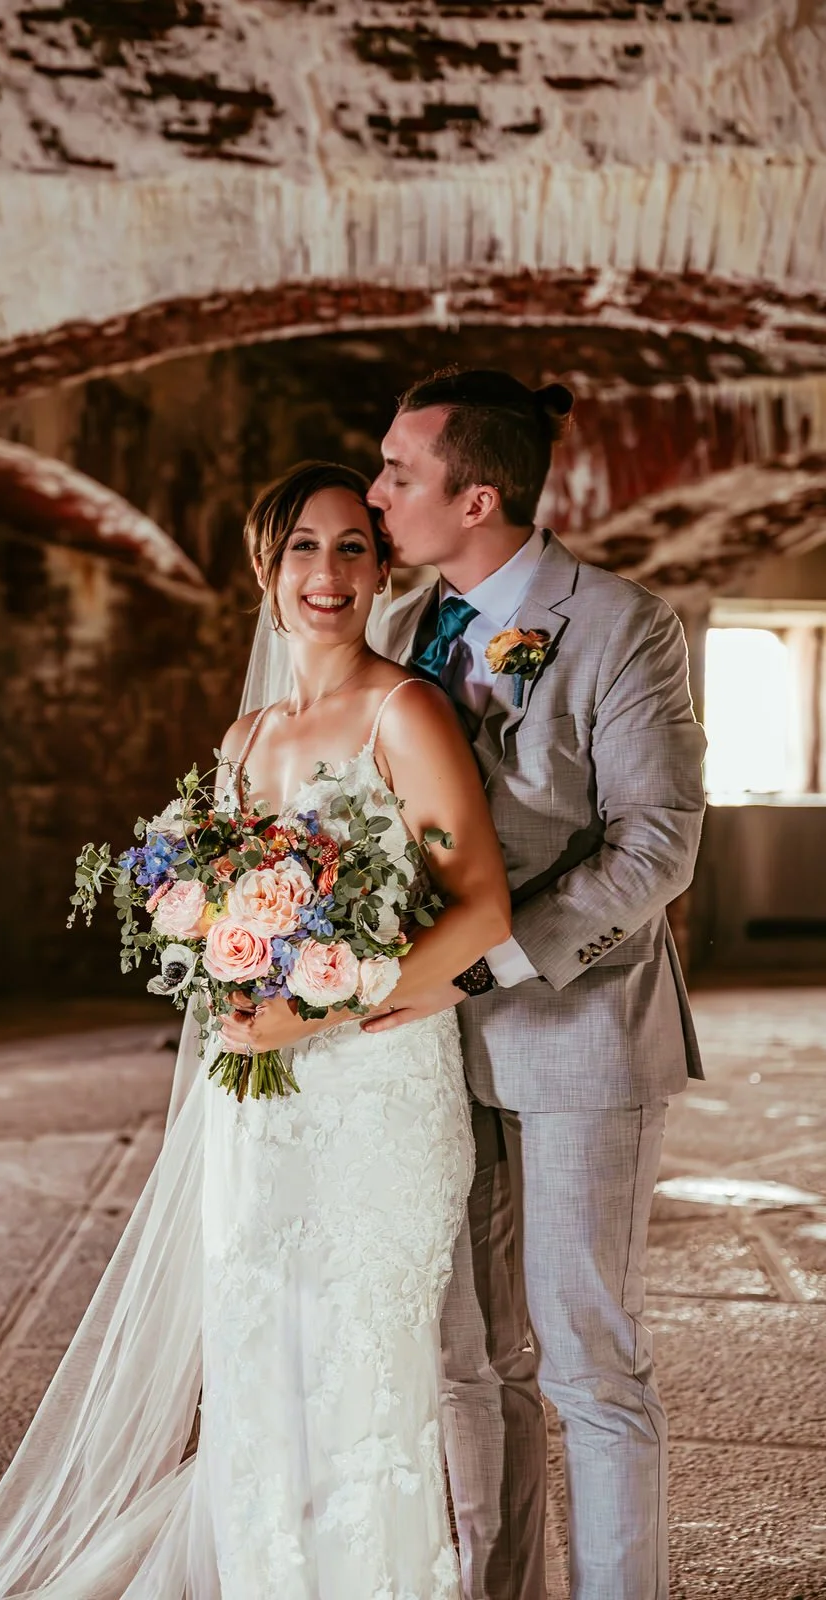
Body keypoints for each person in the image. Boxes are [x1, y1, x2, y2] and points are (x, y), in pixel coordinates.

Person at [0, 460, 511, 1600]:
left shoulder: (407, 711)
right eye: (303, 547)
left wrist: (317, 1003)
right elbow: (208, 912)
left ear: (382, 568)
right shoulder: (246, 738)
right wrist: (229, 980)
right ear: (264, 568)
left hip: (374, 1097)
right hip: (263, 1101)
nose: (329, 573)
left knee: (359, 1381)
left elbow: (482, 911)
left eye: (354, 547)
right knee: (258, 1360)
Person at [364, 368, 707, 1600]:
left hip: (578, 1034)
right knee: (464, 1358)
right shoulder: (399, 628)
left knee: (585, 1361)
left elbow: (654, 848)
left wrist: (486, 965)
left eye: (398, 472)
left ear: (478, 495)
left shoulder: (621, 624)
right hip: (423, 1053)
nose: (375, 493)